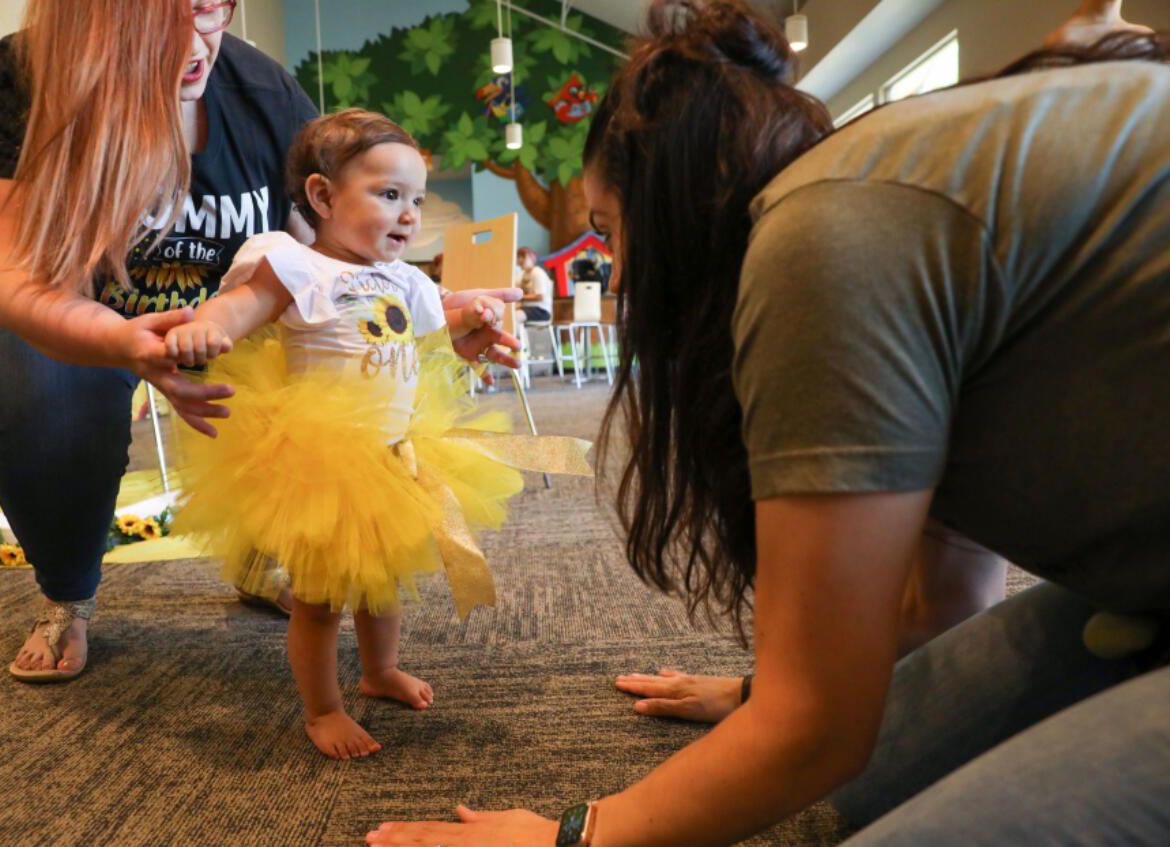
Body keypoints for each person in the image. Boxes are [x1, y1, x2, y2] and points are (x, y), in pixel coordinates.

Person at [365, 1, 1170, 844]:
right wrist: (766, 696)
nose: (623, 275)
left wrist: (572, 836)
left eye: (609, 231)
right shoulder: (861, 187)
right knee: (879, 772)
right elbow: (949, 605)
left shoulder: (821, 240)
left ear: (669, 202)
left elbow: (819, 728)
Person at [0, 0, 519, 683]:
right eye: (165, 15)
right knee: (42, 398)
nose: (197, 37)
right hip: (66, 309)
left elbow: (328, 256)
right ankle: (67, 595)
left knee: (313, 403)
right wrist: (114, 339)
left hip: (227, 311)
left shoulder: (265, 93)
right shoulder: (19, 81)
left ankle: (262, 556)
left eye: (212, 5)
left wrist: (416, 309)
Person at [166, 108, 554, 759]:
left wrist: (474, 315)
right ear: (322, 196)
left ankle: (379, 671)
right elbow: (240, 306)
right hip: (325, 459)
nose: (408, 214)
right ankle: (323, 709)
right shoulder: (295, 266)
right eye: (388, 194)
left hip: (396, 451)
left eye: (416, 200)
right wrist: (208, 326)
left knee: (383, 581)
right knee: (319, 600)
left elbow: (439, 325)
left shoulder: (404, 277)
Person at [515, 247, 553, 322]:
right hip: (525, 308)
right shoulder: (520, 275)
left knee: (515, 317)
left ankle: (516, 334)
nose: (520, 260)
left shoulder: (538, 273)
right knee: (508, 315)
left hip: (541, 310)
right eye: (519, 257)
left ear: (531, 258)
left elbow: (540, 296)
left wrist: (522, 297)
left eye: (523, 257)